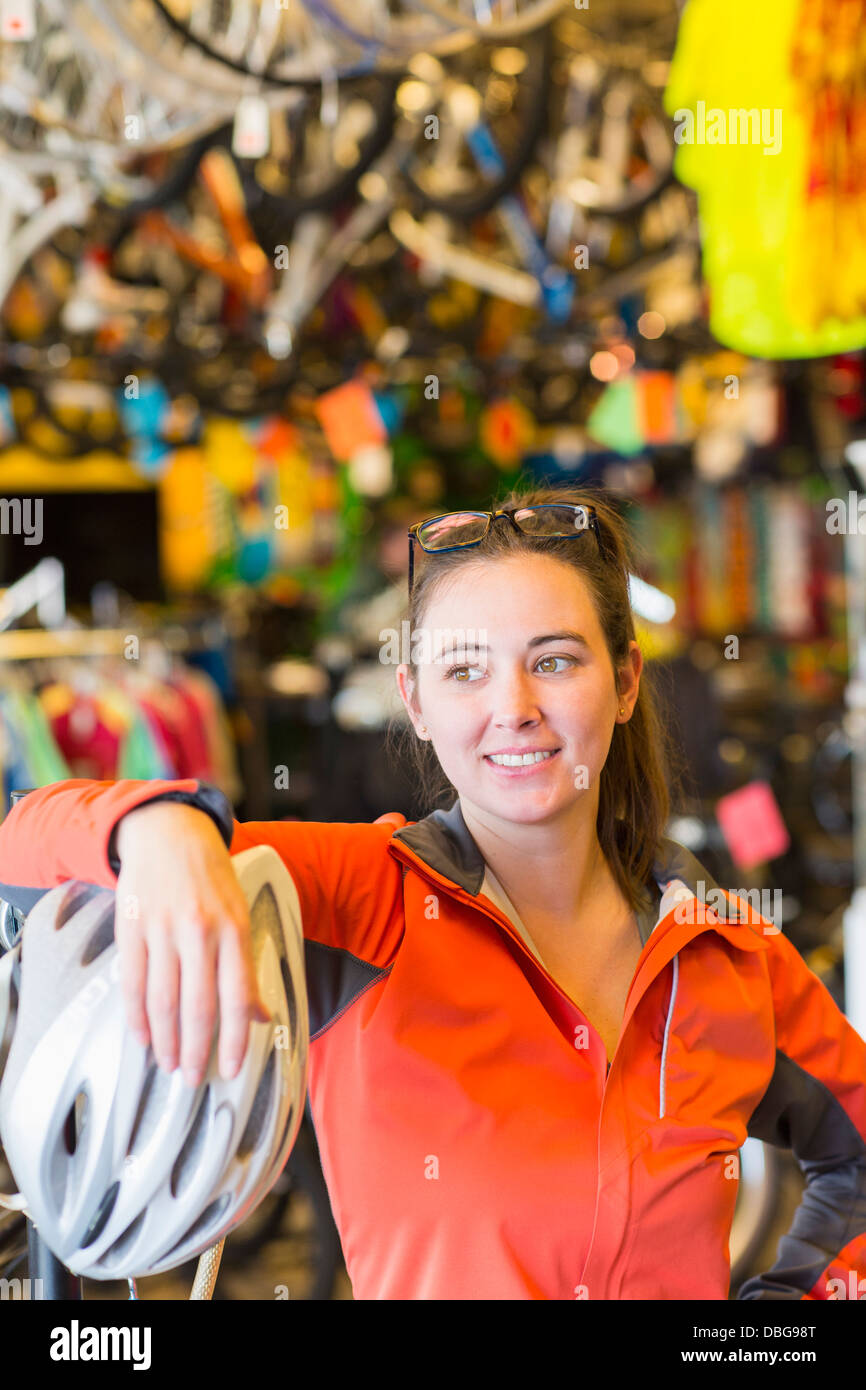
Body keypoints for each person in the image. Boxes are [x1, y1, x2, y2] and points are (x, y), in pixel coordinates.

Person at [1, 483, 865, 1301]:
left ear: (627, 681)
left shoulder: (730, 953)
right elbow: (18, 849)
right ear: (414, 702)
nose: (515, 706)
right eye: (464, 672)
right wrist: (153, 829)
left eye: (555, 661)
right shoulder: (359, 898)